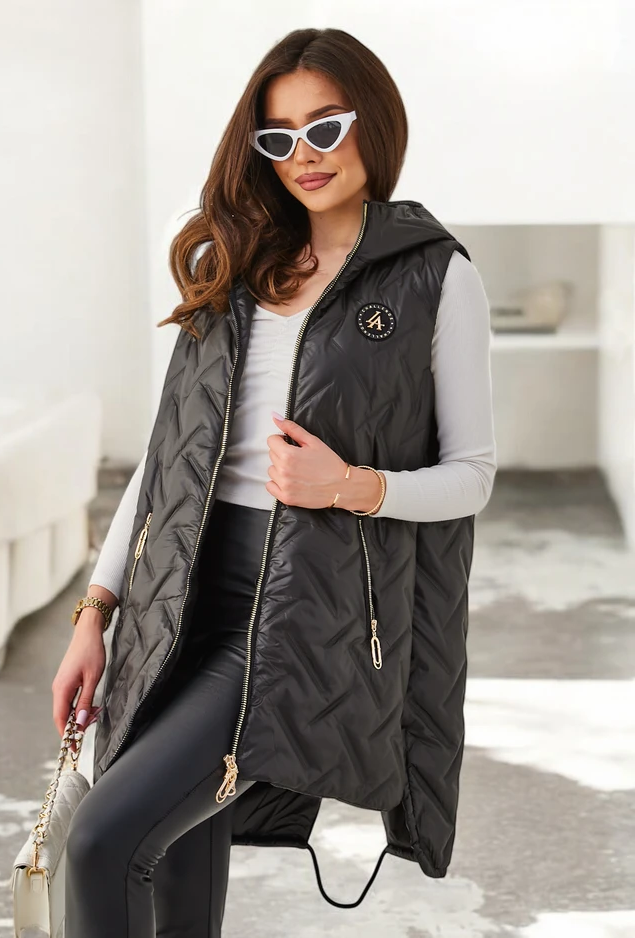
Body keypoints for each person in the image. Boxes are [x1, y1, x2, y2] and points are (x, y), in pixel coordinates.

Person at [52, 26, 496, 938]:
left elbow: (471, 477)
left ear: (373, 123)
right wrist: (95, 612)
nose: (305, 155)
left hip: (295, 612)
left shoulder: (435, 277)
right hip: (175, 594)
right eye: (280, 136)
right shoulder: (234, 264)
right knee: (173, 848)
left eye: (325, 127)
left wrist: (349, 485)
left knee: (100, 842)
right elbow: (167, 458)